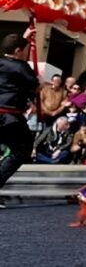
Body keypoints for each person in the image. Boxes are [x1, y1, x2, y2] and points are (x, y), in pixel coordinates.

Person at [0, 30, 39, 208]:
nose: (27, 53)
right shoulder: (21, 67)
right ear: (18, 51)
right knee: (22, 149)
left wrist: (26, 36)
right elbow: (35, 89)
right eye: (25, 50)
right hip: (9, 116)